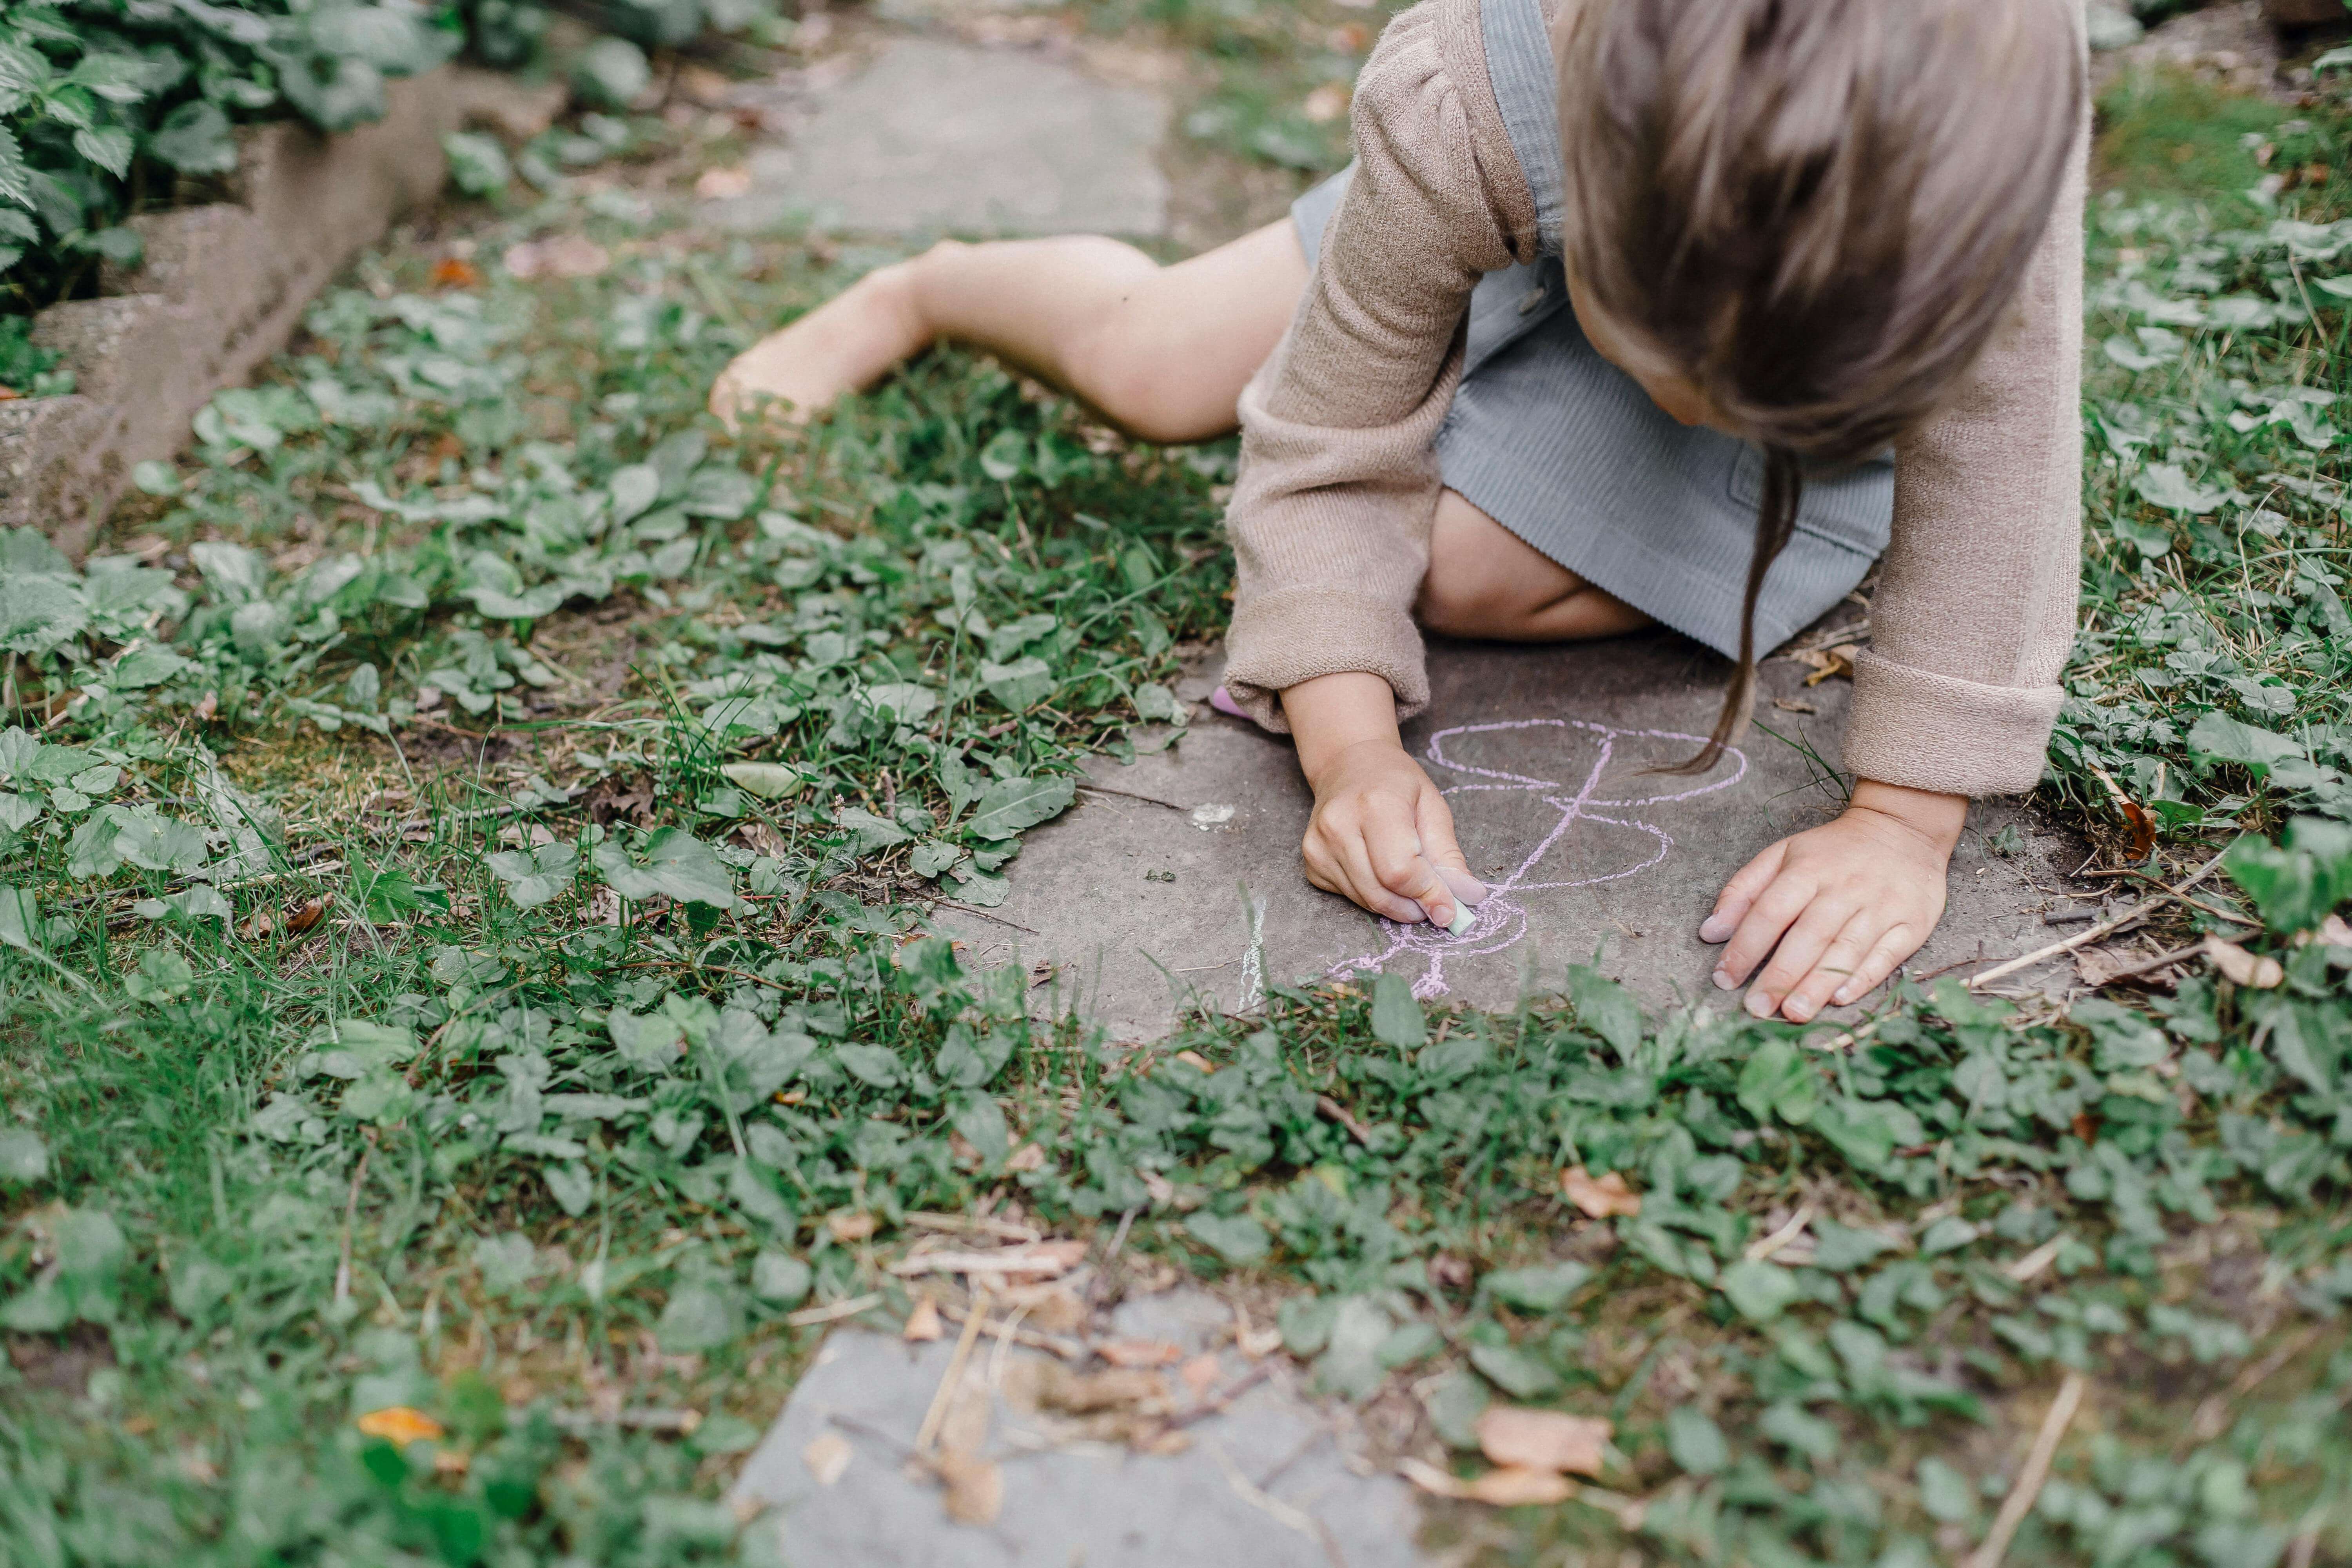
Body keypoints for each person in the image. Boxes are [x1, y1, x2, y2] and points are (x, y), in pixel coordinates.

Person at [710, 0, 2088, 1024]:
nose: (1691, 420)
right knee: (1149, 359)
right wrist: (1350, 746)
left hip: (1812, 303)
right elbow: (1331, 436)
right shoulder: (1471, 96)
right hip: (1517, 183)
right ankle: (925, 287)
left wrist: (1905, 824)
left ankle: (1642, 398)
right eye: (1677, 383)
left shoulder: (1977, 154)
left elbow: (2005, 457)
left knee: (1464, 574)